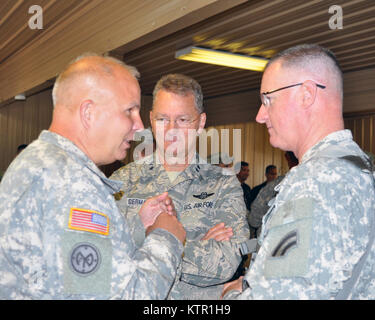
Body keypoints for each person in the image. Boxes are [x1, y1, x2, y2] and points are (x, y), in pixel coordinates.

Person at [0, 54, 186, 299]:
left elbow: (68, 267)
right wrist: (166, 237)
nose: (139, 126)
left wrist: (135, 227)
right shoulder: (71, 183)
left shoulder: (40, 162)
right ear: (88, 112)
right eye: (129, 110)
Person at [222, 44, 375, 299]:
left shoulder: (310, 182)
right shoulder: (361, 169)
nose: (260, 115)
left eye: (267, 99)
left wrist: (232, 295)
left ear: (306, 94)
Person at [110, 73, 250, 299]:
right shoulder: (123, 181)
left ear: (201, 123)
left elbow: (225, 263)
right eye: (163, 119)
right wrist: (191, 245)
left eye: (183, 120)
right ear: (151, 119)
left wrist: (146, 238)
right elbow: (106, 255)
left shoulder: (223, 182)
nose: (171, 129)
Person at [248, 153, 298, 239]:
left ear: (287, 158)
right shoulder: (323, 182)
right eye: (271, 174)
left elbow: (254, 220)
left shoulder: (273, 187)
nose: (273, 176)